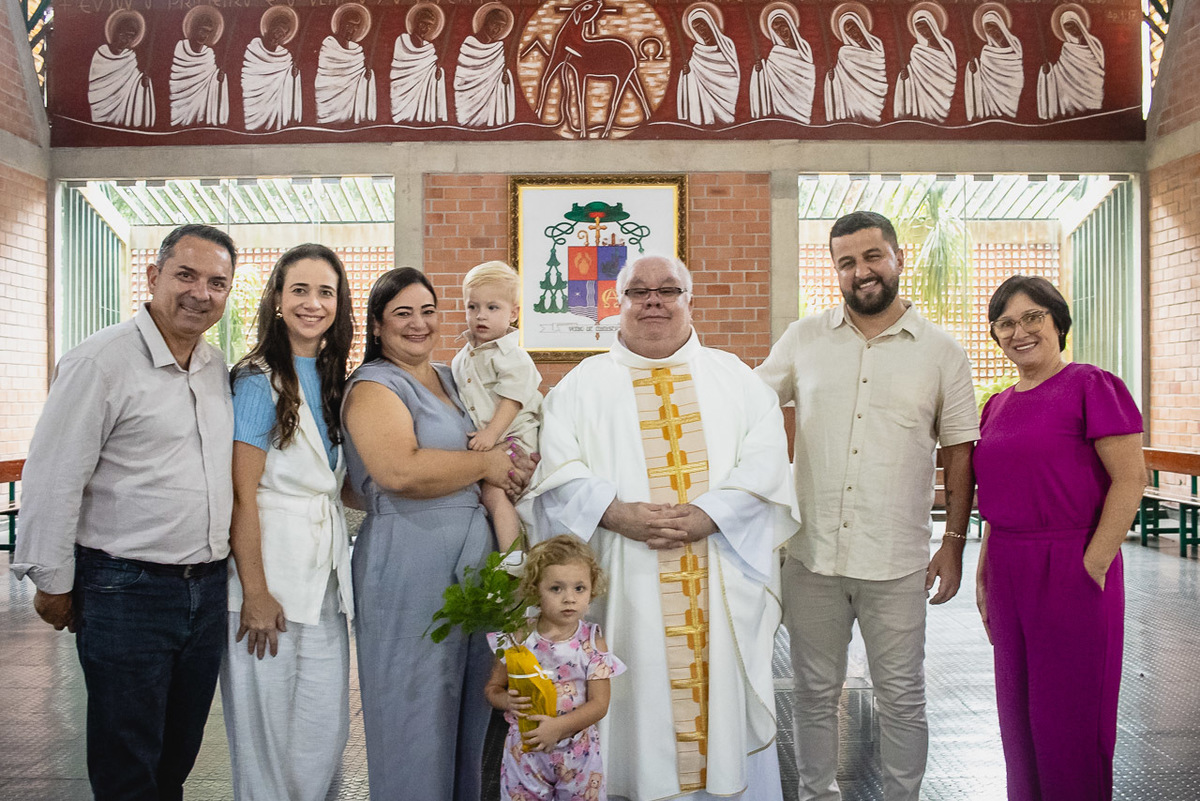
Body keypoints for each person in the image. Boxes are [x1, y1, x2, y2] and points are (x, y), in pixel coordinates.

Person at [522, 254, 800, 801]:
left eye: (668, 290)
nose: (654, 301)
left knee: (716, 697)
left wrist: (708, 515)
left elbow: (767, 461)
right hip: (624, 578)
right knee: (632, 701)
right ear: (617, 305)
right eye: (639, 292)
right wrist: (613, 510)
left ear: (688, 300)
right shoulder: (582, 385)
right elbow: (558, 468)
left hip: (716, 567)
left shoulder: (735, 379)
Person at [755, 210, 979, 801]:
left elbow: (960, 454)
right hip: (811, 556)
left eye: (872, 256)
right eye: (847, 262)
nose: (862, 271)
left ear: (898, 257)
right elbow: (745, 407)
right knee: (812, 692)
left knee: (903, 697)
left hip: (897, 558)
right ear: (836, 270)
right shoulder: (803, 339)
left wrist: (952, 546)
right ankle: (815, 794)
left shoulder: (942, 353)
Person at [12, 224, 237, 799]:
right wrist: (53, 580)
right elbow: (52, 477)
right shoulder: (100, 362)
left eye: (217, 282)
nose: (200, 293)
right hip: (126, 589)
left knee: (178, 753)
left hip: (206, 591)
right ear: (153, 276)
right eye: (186, 275)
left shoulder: (215, 367)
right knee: (127, 760)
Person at [341, 267, 535, 801]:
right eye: (403, 312)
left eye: (428, 310)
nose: (419, 323)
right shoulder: (374, 386)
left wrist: (517, 463)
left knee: (470, 712)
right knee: (414, 710)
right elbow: (398, 472)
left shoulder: (453, 376)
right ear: (377, 326)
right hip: (409, 559)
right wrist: (487, 465)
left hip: (475, 556)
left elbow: (506, 432)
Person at [973, 276, 1144, 801]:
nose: (1019, 331)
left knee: (1069, 718)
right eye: (1006, 323)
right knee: (1018, 717)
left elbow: (1130, 478)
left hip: (1070, 564)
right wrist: (984, 570)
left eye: (1032, 317)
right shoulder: (996, 405)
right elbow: (998, 496)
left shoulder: (1093, 385)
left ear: (1057, 322)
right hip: (1008, 567)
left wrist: (1092, 564)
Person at [219, 245, 356, 801]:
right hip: (267, 568)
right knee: (265, 726)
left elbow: (334, 479)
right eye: (299, 290)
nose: (312, 303)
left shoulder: (333, 376)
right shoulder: (258, 379)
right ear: (277, 299)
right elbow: (241, 495)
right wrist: (255, 590)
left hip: (323, 574)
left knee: (323, 724)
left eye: (325, 291)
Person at [484, 535, 626, 800]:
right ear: (536, 589)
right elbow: (493, 690)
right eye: (556, 589)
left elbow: (599, 704)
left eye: (579, 588)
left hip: (578, 755)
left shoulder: (592, 641)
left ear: (592, 590)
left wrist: (559, 727)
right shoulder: (518, 636)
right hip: (525, 752)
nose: (569, 598)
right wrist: (507, 701)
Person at [451, 261, 542, 552]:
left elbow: (512, 399)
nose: (481, 316)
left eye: (493, 308)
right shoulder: (462, 357)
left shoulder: (512, 356)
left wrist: (491, 434)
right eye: (472, 307)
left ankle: (513, 556)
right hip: (491, 443)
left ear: (513, 313)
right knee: (489, 495)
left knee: (494, 494)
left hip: (514, 437)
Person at [89, 10, 155, 128]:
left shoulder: (130, 57)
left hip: (123, 110)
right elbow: (97, 86)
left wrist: (144, 82)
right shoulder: (101, 54)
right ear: (115, 33)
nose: (126, 40)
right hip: (101, 107)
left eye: (130, 36)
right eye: (123, 35)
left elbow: (133, 81)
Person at [750, 5, 815, 124]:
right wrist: (759, 71)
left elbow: (809, 75)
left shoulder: (804, 48)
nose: (781, 31)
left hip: (803, 102)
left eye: (783, 25)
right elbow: (768, 80)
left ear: (790, 24)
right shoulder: (775, 54)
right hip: (780, 107)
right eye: (777, 29)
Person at [677, 4, 740, 126]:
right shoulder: (697, 52)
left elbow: (736, 69)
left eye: (703, 25)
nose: (701, 31)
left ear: (710, 23)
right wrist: (686, 74)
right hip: (706, 97)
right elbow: (693, 76)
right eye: (696, 28)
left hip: (729, 91)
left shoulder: (727, 44)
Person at [1037, 7, 1105, 119]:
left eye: (1073, 25)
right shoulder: (1067, 48)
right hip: (1071, 98)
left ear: (1079, 24)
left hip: (1093, 90)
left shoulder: (1094, 43)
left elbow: (1100, 67)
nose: (1072, 30)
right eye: (1067, 28)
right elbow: (1060, 72)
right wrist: (1047, 74)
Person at [454, 4, 516, 128]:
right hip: (468, 99)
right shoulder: (469, 44)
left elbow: (499, 73)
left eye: (502, 26)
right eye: (495, 24)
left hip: (491, 100)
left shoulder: (498, 48)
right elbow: (462, 77)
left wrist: (505, 79)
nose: (498, 29)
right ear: (486, 22)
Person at [241, 6, 302, 132]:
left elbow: (287, 80)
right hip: (254, 102)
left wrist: (293, 75)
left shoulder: (285, 57)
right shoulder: (254, 48)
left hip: (274, 106)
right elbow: (248, 78)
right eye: (277, 30)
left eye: (283, 34)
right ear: (269, 28)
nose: (278, 36)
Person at [894, 5, 956, 123]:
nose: (923, 32)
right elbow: (914, 76)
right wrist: (905, 78)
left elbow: (954, 69)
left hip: (945, 89)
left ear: (932, 24)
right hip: (924, 97)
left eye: (925, 27)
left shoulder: (947, 46)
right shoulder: (917, 51)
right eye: (919, 29)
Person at [316, 3, 377, 125]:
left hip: (350, 103)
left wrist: (366, 75)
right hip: (328, 97)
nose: (352, 30)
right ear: (341, 24)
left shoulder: (357, 51)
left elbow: (358, 76)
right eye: (349, 25)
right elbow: (326, 75)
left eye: (356, 26)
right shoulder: (329, 44)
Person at [170, 4, 229, 127]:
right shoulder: (181, 47)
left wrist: (219, 79)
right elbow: (177, 77)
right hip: (180, 103)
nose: (205, 35)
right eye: (202, 30)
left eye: (208, 32)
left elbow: (211, 78)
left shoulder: (208, 54)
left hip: (201, 104)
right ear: (194, 28)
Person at [824, 9, 888, 123]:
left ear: (860, 25)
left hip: (876, 95)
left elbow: (880, 71)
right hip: (854, 96)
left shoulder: (877, 45)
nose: (853, 33)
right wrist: (831, 80)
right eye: (848, 32)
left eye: (854, 28)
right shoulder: (845, 52)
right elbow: (840, 76)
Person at [390, 3, 448, 124]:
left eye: (429, 26)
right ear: (416, 22)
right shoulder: (402, 40)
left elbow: (428, 69)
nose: (425, 28)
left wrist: (436, 72)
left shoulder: (429, 48)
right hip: (403, 88)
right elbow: (400, 67)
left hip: (422, 90)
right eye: (423, 23)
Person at [965, 6, 1024, 121]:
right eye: (988, 28)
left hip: (1013, 89)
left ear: (1000, 25)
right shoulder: (987, 52)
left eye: (994, 26)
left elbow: (1018, 68)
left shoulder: (1015, 44)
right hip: (991, 95)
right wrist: (973, 72)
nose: (992, 31)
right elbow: (982, 78)